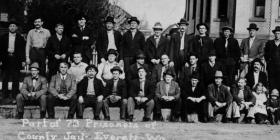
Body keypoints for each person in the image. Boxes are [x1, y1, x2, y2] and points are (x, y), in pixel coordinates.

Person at [0, 20, 25, 101]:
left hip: (16, 59)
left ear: (16, 28)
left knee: (16, 78)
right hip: (6, 59)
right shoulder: (3, 36)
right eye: (10, 26)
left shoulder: (20, 38)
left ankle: (15, 95)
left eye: (14, 26)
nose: (12, 27)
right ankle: (4, 95)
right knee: (5, 77)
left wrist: (23, 60)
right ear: (8, 27)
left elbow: (22, 50)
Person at [264, 26, 280, 91]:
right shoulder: (269, 43)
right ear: (274, 34)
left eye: (279, 33)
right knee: (271, 83)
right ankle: (271, 97)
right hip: (271, 67)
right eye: (276, 33)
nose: (277, 35)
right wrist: (269, 62)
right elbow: (266, 54)